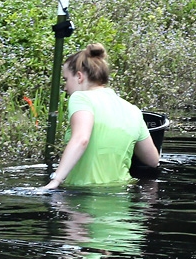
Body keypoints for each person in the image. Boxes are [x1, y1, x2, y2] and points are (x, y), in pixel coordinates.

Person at [43, 43, 160, 190]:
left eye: (66, 79)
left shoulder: (81, 98)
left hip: (85, 195)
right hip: (122, 199)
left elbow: (81, 139)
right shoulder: (133, 110)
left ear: (79, 76)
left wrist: (55, 180)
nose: (65, 87)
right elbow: (153, 160)